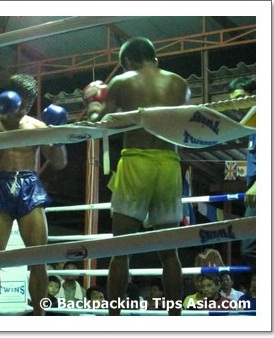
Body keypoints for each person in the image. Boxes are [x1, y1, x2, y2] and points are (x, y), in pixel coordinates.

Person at [83, 37, 189, 316]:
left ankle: (114, 318)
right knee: (170, 252)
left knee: (122, 248)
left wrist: (93, 103)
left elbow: (99, 123)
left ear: (128, 61)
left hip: (136, 163)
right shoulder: (180, 83)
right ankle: (176, 319)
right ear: (154, 56)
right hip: (169, 164)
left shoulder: (123, 81)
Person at [0, 74, 68, 316]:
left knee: (38, 258)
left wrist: (58, 135)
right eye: (20, 103)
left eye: (29, 105)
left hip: (30, 186)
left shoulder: (37, 126)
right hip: (1, 183)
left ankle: (38, 318)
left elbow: (60, 162)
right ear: (8, 99)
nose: (24, 109)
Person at [228, 76, 256, 269]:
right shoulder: (251, 125)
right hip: (254, 192)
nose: (237, 105)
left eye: (241, 98)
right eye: (233, 100)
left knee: (249, 249)